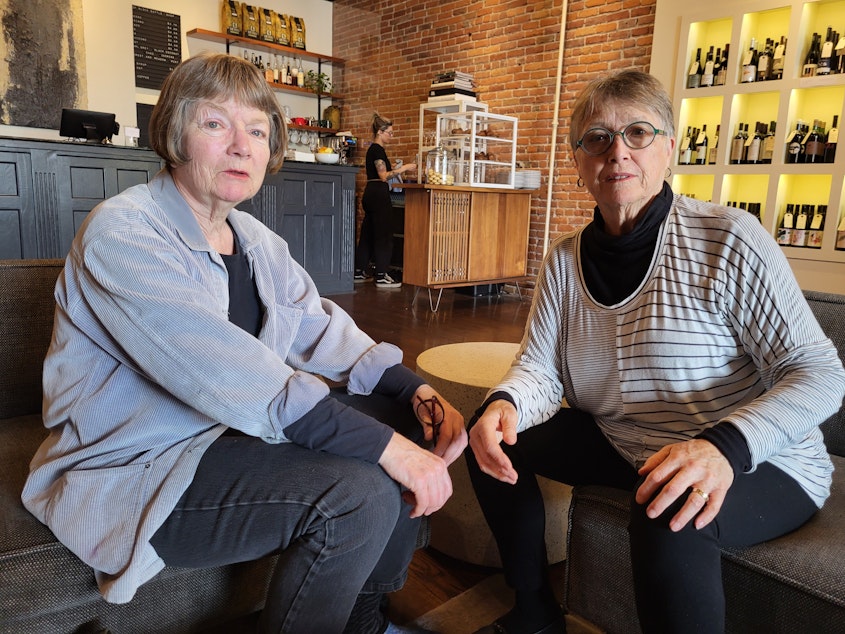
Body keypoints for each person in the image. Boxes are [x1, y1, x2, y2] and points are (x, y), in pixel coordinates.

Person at [21, 52, 467, 634]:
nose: (241, 146)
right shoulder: (122, 232)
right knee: (361, 491)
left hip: (224, 433)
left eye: (257, 130)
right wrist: (391, 453)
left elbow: (319, 327)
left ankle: (363, 618)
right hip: (142, 464)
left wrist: (419, 391)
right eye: (215, 124)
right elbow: (236, 375)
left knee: (406, 424)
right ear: (176, 131)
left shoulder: (253, 238)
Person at [465, 69, 845, 634]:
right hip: (631, 442)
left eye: (638, 133)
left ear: (668, 149)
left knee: (673, 512)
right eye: (596, 138)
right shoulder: (565, 262)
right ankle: (535, 612)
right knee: (490, 436)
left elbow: (819, 374)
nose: (617, 151)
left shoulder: (730, 239)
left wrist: (724, 447)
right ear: (577, 162)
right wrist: (507, 403)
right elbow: (540, 370)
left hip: (763, 460)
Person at [354, 113, 416, 288]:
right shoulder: (377, 150)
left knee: (367, 234)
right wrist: (404, 168)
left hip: (370, 193)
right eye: (389, 132)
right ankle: (381, 275)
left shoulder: (373, 150)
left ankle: (359, 270)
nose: (391, 136)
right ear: (380, 132)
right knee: (384, 235)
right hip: (379, 194)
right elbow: (383, 176)